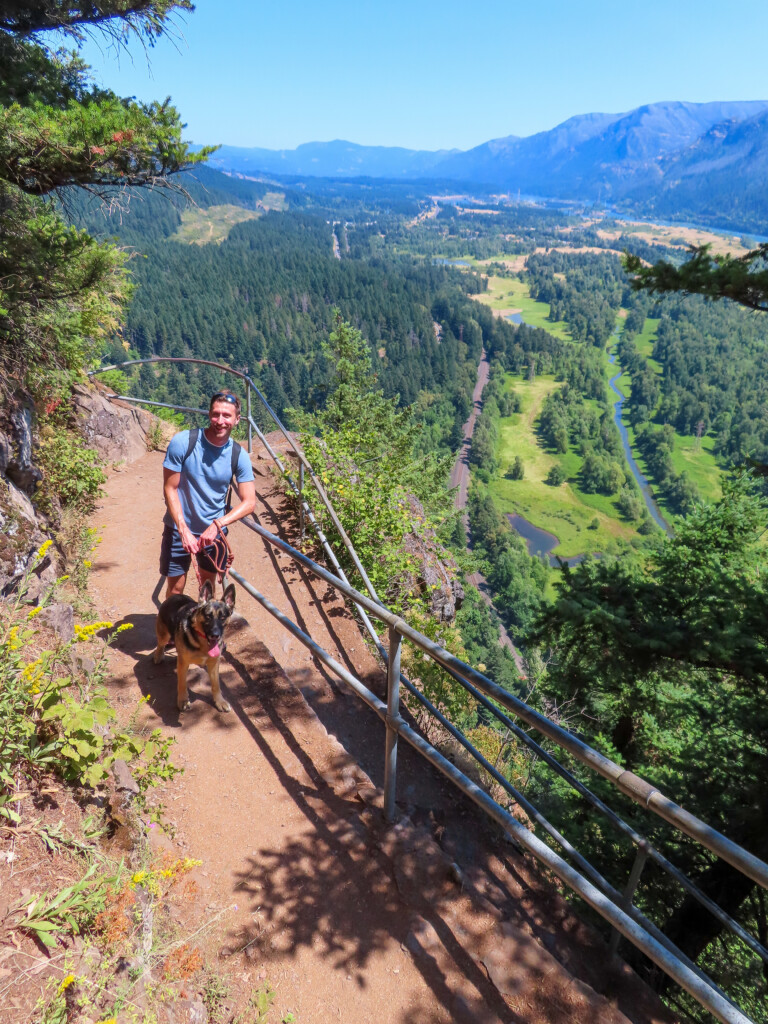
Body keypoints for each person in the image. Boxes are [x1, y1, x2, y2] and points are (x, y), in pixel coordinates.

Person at [160, 390, 256, 599]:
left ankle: (198, 631)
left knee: (207, 590)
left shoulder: (238, 456)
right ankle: (171, 631)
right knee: (175, 592)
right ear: (209, 414)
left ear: (237, 420)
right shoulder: (183, 442)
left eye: (226, 416)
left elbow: (249, 502)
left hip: (213, 536)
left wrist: (217, 525)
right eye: (215, 414)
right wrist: (183, 529)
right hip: (178, 530)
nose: (220, 421)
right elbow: (170, 488)